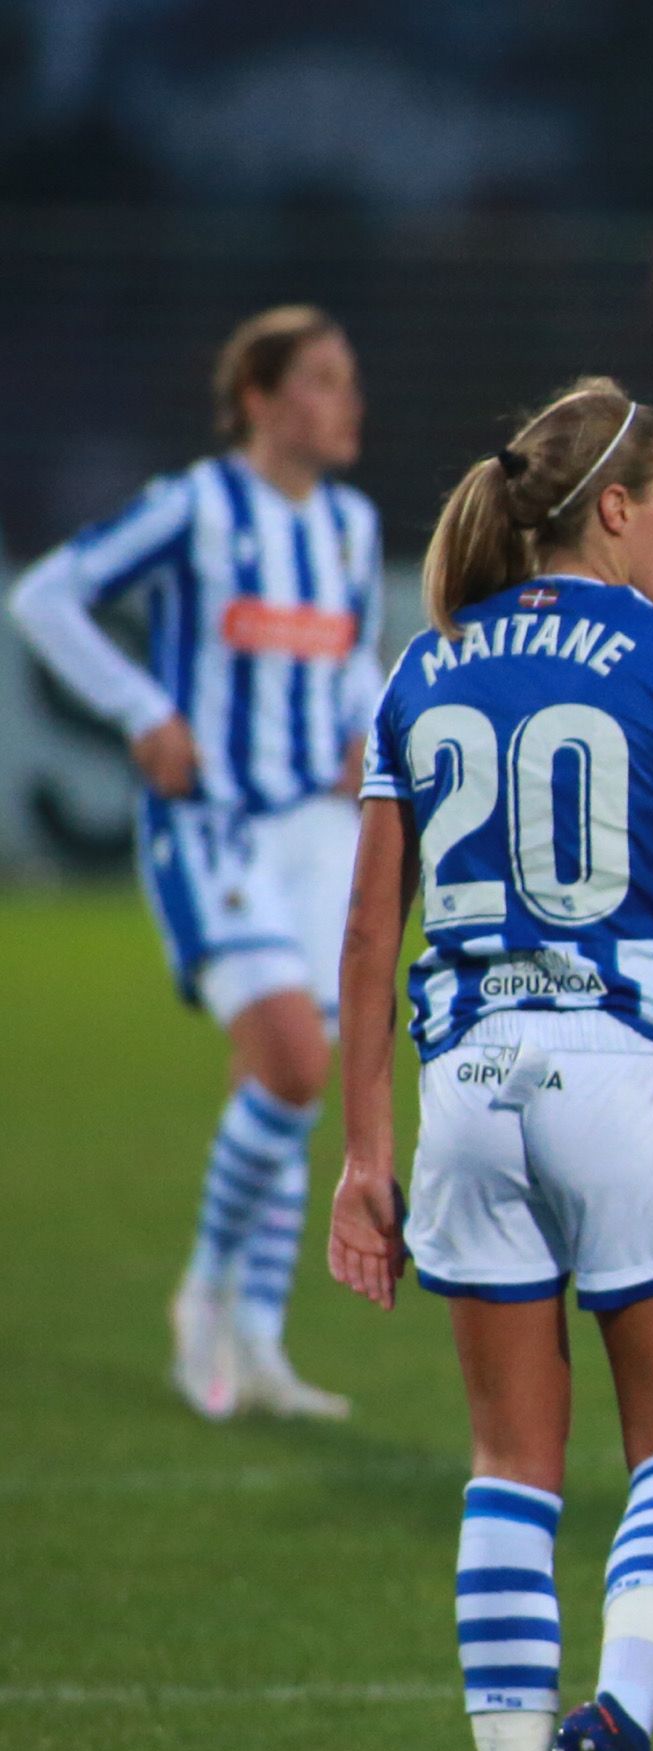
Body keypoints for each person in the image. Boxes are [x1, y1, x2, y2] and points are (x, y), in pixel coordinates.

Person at [323, 378, 653, 1751]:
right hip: (626, 1077)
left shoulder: (427, 661)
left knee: (510, 1474)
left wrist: (363, 1151)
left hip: (463, 1087)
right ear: (614, 509)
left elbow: (370, 928)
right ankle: (620, 1722)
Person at [8, 305, 380, 1420]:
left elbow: (351, 659)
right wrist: (144, 710)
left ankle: (256, 1342)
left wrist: (370, 732)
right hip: (214, 822)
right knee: (294, 1063)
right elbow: (43, 596)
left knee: (286, 1086)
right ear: (259, 400)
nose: (346, 399)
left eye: (348, 377)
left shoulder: (352, 526)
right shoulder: (197, 507)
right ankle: (204, 1295)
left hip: (320, 834)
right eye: (320, 378)